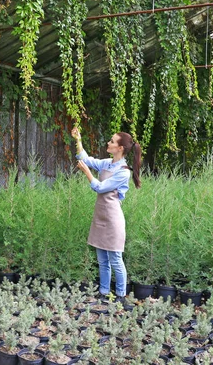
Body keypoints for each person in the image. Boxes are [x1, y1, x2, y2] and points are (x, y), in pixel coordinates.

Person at [71, 127, 141, 303]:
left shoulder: (123, 171)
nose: (108, 143)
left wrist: (87, 172)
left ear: (120, 148)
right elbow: (86, 159)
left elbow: (100, 187)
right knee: (102, 259)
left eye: (111, 141)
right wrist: (78, 140)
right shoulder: (108, 163)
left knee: (115, 259)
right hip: (100, 216)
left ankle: (120, 296)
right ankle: (103, 293)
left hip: (113, 220)